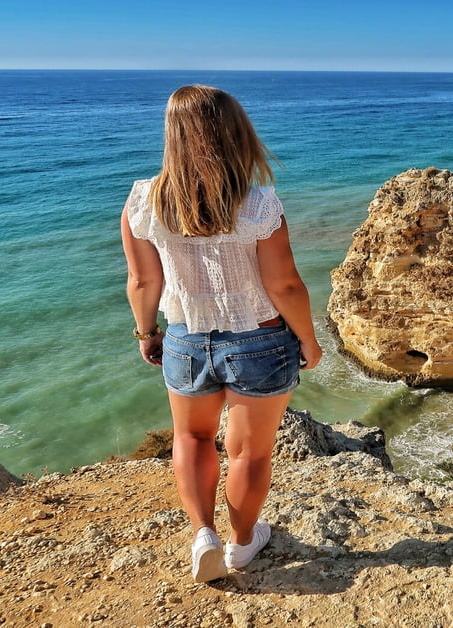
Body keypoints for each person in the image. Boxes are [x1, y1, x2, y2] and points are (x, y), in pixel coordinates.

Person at [120, 84, 323, 582]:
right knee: (249, 452)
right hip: (261, 338)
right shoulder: (258, 205)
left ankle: (203, 535)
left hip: (185, 339)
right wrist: (310, 341)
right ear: (236, 135)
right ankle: (242, 542)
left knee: (191, 437)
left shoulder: (143, 201)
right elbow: (285, 284)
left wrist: (146, 332)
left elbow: (144, 281)